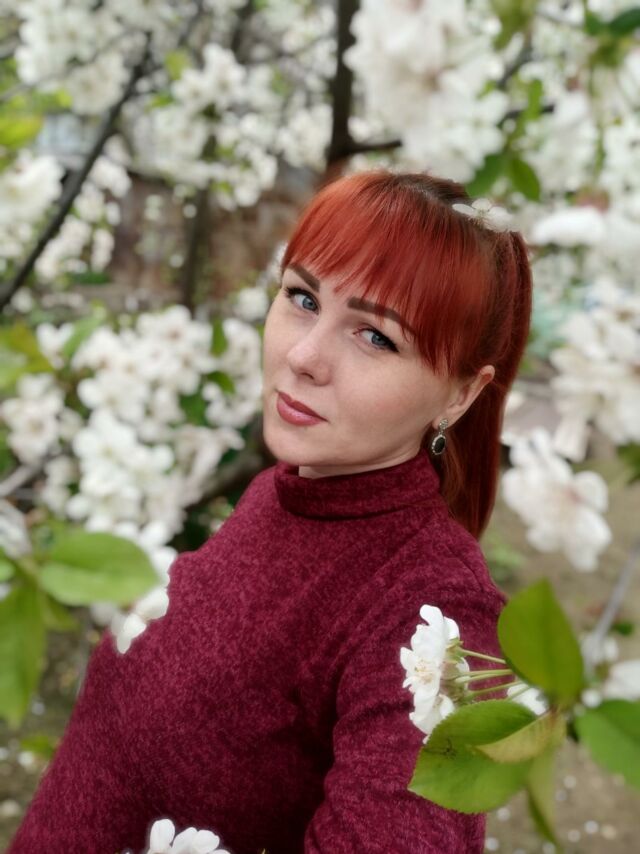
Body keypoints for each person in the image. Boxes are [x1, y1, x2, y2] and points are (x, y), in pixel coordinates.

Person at [8, 170, 532, 853]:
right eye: (302, 297)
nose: (304, 356)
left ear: (460, 395)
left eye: (376, 337)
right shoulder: (287, 489)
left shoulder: (434, 618)